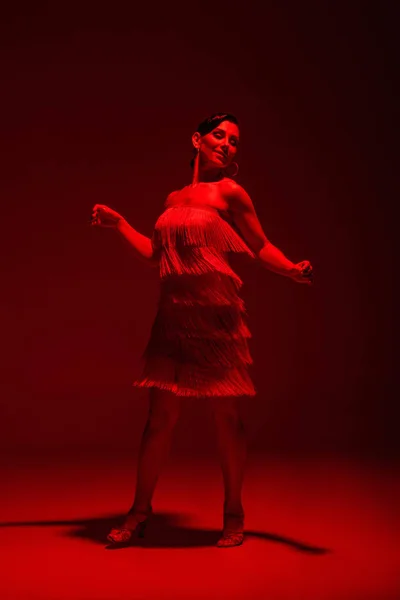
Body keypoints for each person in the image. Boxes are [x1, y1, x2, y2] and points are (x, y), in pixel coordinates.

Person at [91, 113, 313, 548]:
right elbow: (156, 255)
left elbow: (259, 244)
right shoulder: (174, 198)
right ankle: (140, 511)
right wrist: (119, 225)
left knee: (226, 419)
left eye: (234, 140)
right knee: (159, 421)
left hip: (215, 316)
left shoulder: (230, 192)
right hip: (173, 316)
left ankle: (234, 513)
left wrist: (290, 270)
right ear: (197, 139)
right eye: (219, 135)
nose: (227, 144)